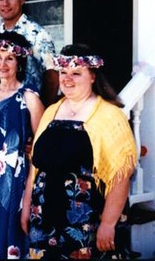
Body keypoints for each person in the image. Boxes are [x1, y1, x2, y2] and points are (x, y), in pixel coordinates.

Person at [21, 44, 137, 259]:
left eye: (76, 73)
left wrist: (108, 223)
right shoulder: (51, 111)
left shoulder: (110, 116)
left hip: (87, 222)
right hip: (44, 217)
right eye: (63, 72)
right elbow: (35, 166)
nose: (67, 78)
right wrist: (27, 205)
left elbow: (121, 175)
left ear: (93, 76)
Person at [0, 31, 45, 259]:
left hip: (19, 178)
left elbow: (41, 147)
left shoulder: (30, 97)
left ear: (19, 62)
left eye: (9, 58)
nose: (3, 63)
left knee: (17, 239)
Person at [0, 0, 59, 107]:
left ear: (22, 0)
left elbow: (52, 78)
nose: (5, 4)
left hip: (30, 112)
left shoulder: (38, 34)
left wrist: (42, 113)